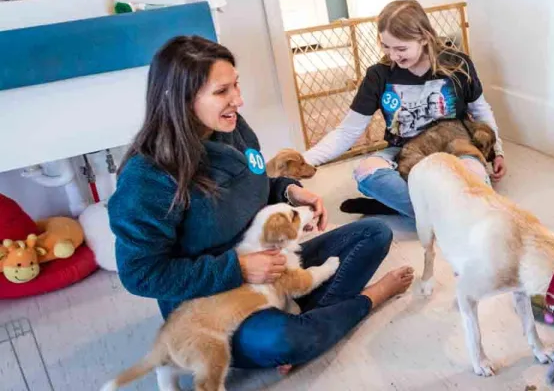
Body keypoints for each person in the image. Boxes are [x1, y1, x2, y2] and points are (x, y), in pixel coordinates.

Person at [110, 36, 415, 374]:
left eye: (236, 86)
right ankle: (368, 300)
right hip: (213, 301)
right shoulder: (147, 177)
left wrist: (288, 192)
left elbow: (253, 186)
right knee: (282, 340)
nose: (238, 101)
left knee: (374, 233)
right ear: (181, 99)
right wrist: (238, 268)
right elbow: (140, 273)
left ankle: (304, 317)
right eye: (222, 91)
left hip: (270, 267)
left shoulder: (232, 129)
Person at [301, 0, 506, 218]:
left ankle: (404, 208)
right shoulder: (378, 75)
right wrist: (305, 160)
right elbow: (347, 131)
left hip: (455, 148)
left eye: (401, 48)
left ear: (425, 38)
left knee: (473, 174)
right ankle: (449, 214)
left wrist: (498, 151)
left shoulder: (458, 64)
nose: (393, 56)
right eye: (386, 47)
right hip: (403, 151)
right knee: (366, 172)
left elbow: (480, 110)